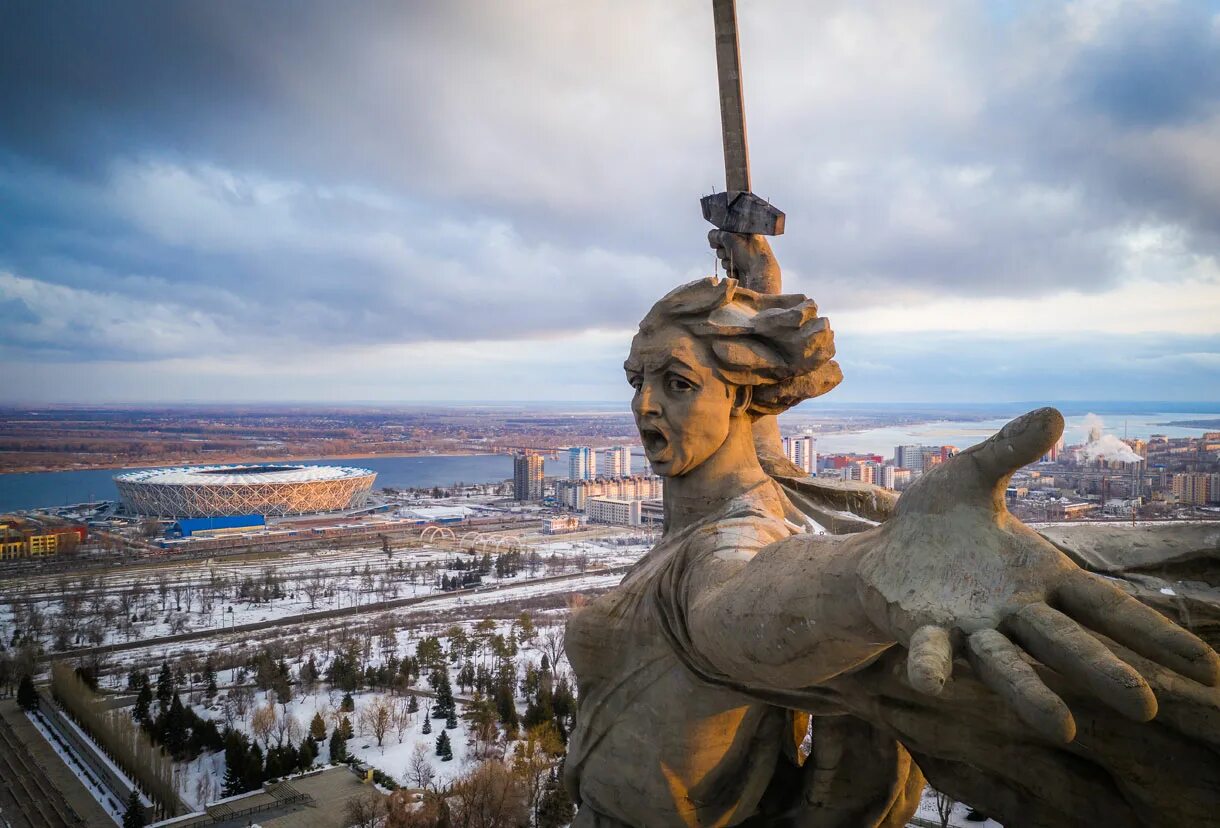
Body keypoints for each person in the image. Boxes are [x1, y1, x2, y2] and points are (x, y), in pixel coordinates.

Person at [563, 238, 1220, 828]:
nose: (644, 405)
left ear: (738, 397)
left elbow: (738, 611)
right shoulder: (744, 485)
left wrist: (866, 578)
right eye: (637, 379)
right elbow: (759, 443)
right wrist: (757, 292)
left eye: (676, 384)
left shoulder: (730, 543)